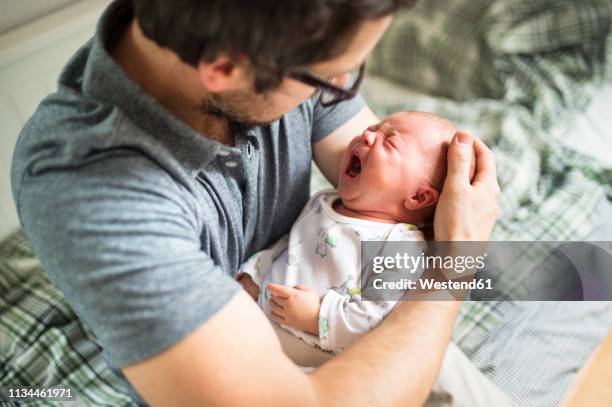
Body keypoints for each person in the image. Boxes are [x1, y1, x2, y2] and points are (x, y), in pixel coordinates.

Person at [10, 0, 500, 405]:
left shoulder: (276, 36)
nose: (345, 95)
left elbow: (389, 196)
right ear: (224, 70)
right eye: (330, 78)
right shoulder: (94, 197)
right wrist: (452, 271)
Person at [237, 111, 476, 352]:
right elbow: (292, 246)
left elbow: (374, 319)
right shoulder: (324, 202)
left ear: (418, 196)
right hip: (253, 322)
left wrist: (317, 316)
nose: (368, 135)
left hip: (313, 353)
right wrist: (256, 273)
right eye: (374, 127)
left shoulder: (400, 245)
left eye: (390, 142)